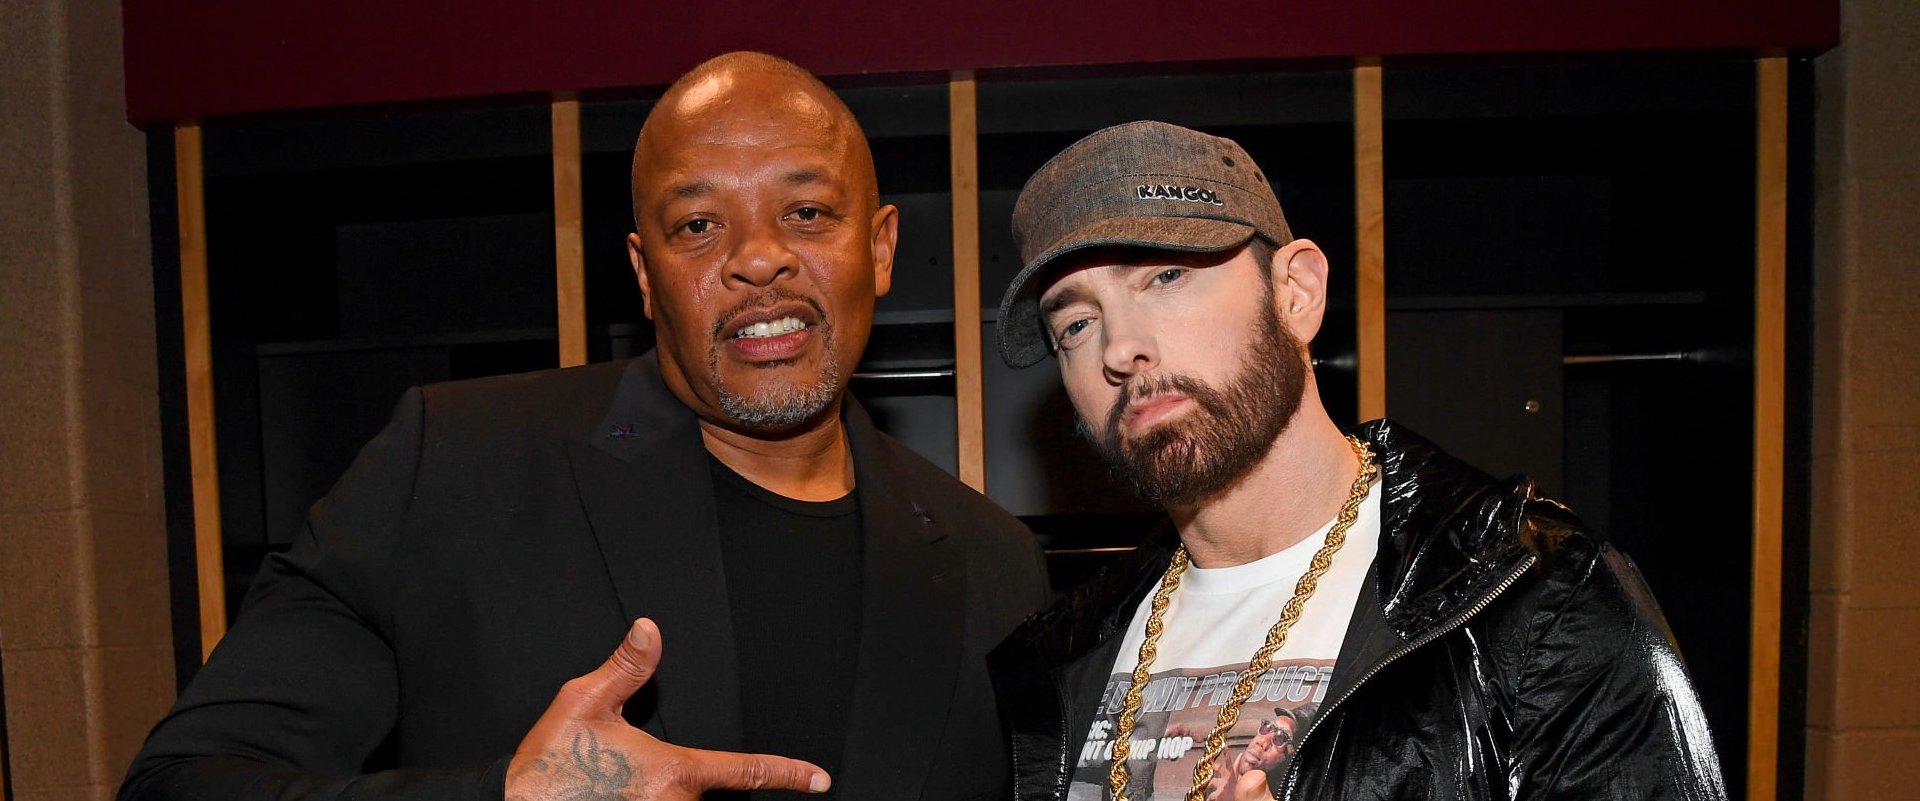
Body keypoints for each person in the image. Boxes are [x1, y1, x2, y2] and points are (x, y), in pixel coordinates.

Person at [118, 51, 1048, 801]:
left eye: (806, 212)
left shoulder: (995, 564)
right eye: (698, 226)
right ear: (644, 275)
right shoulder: (450, 466)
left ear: (878, 247)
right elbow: (179, 782)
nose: (759, 258)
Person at [986, 121, 1724, 800]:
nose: (1119, 348)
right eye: (1077, 323)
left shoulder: (1539, 602)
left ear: (1297, 292)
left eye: (1165, 277)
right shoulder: (1058, 658)